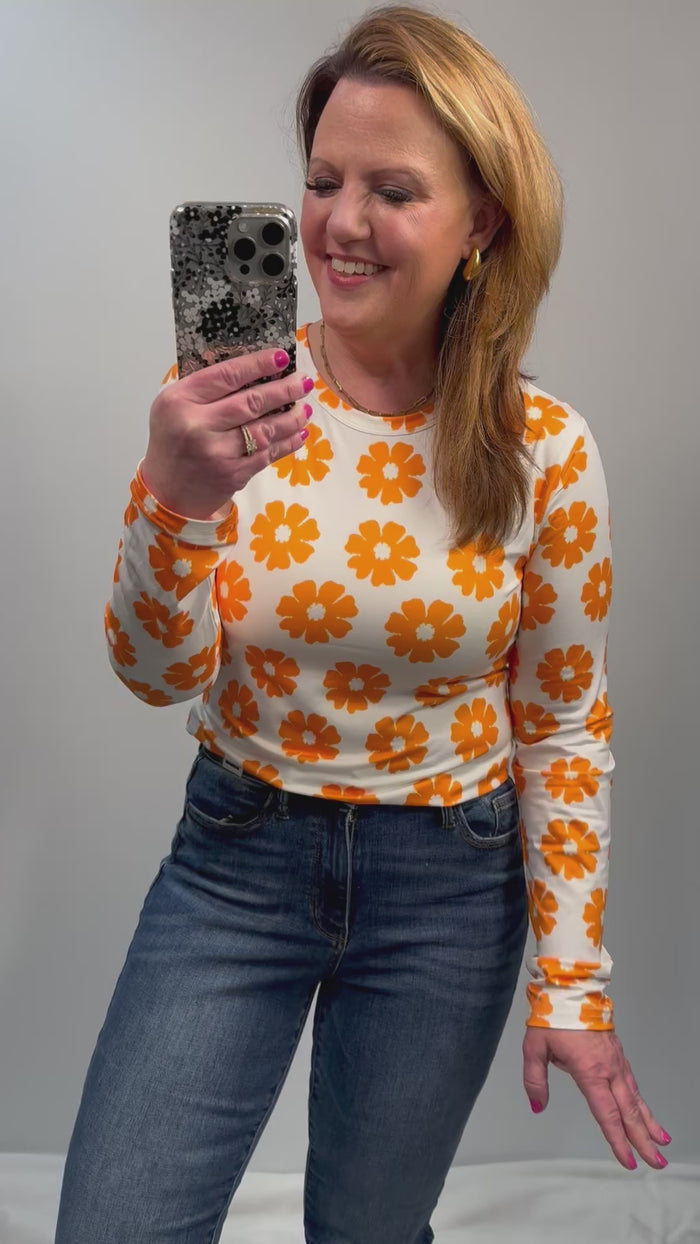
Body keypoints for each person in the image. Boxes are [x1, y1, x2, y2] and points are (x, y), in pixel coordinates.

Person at [55, 6, 671, 1242]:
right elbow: (153, 672)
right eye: (323, 180)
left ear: (480, 221)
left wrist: (573, 982)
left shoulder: (544, 451)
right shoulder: (225, 406)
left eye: (392, 190)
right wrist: (174, 500)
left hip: (449, 887)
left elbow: (561, 727)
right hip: (236, 857)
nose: (340, 223)